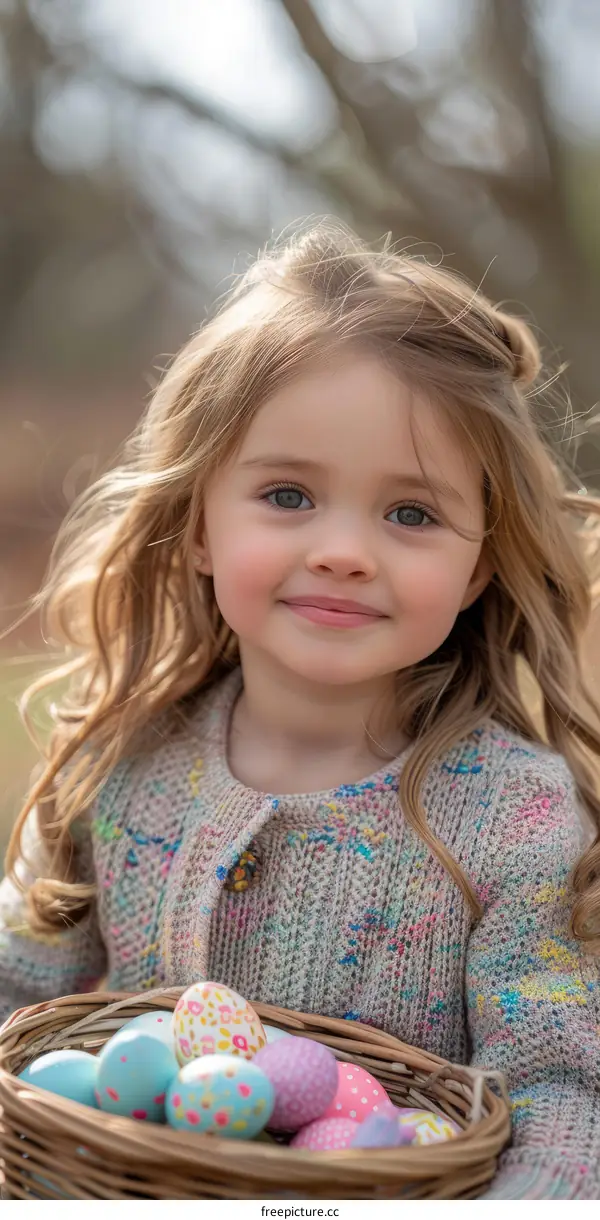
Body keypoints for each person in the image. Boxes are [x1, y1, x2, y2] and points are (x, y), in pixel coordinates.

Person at [1, 219, 599, 1199]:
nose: (344, 550)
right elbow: (19, 996)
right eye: (287, 494)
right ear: (198, 522)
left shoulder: (517, 817)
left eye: (410, 513)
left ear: (479, 561)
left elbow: (560, 1092)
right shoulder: (120, 762)